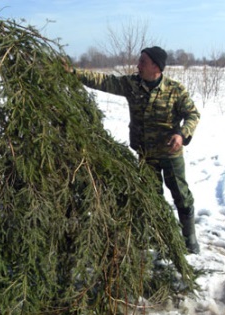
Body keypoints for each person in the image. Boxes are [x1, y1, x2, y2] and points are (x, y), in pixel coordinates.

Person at [68, 46, 200, 254]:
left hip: (170, 154)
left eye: (143, 62)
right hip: (146, 155)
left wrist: (181, 135)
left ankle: (189, 239)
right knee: (152, 197)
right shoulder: (132, 85)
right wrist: (73, 72)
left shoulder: (175, 90)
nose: (138, 66)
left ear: (156, 67)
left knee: (181, 196)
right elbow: (103, 81)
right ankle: (160, 235)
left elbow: (193, 114)